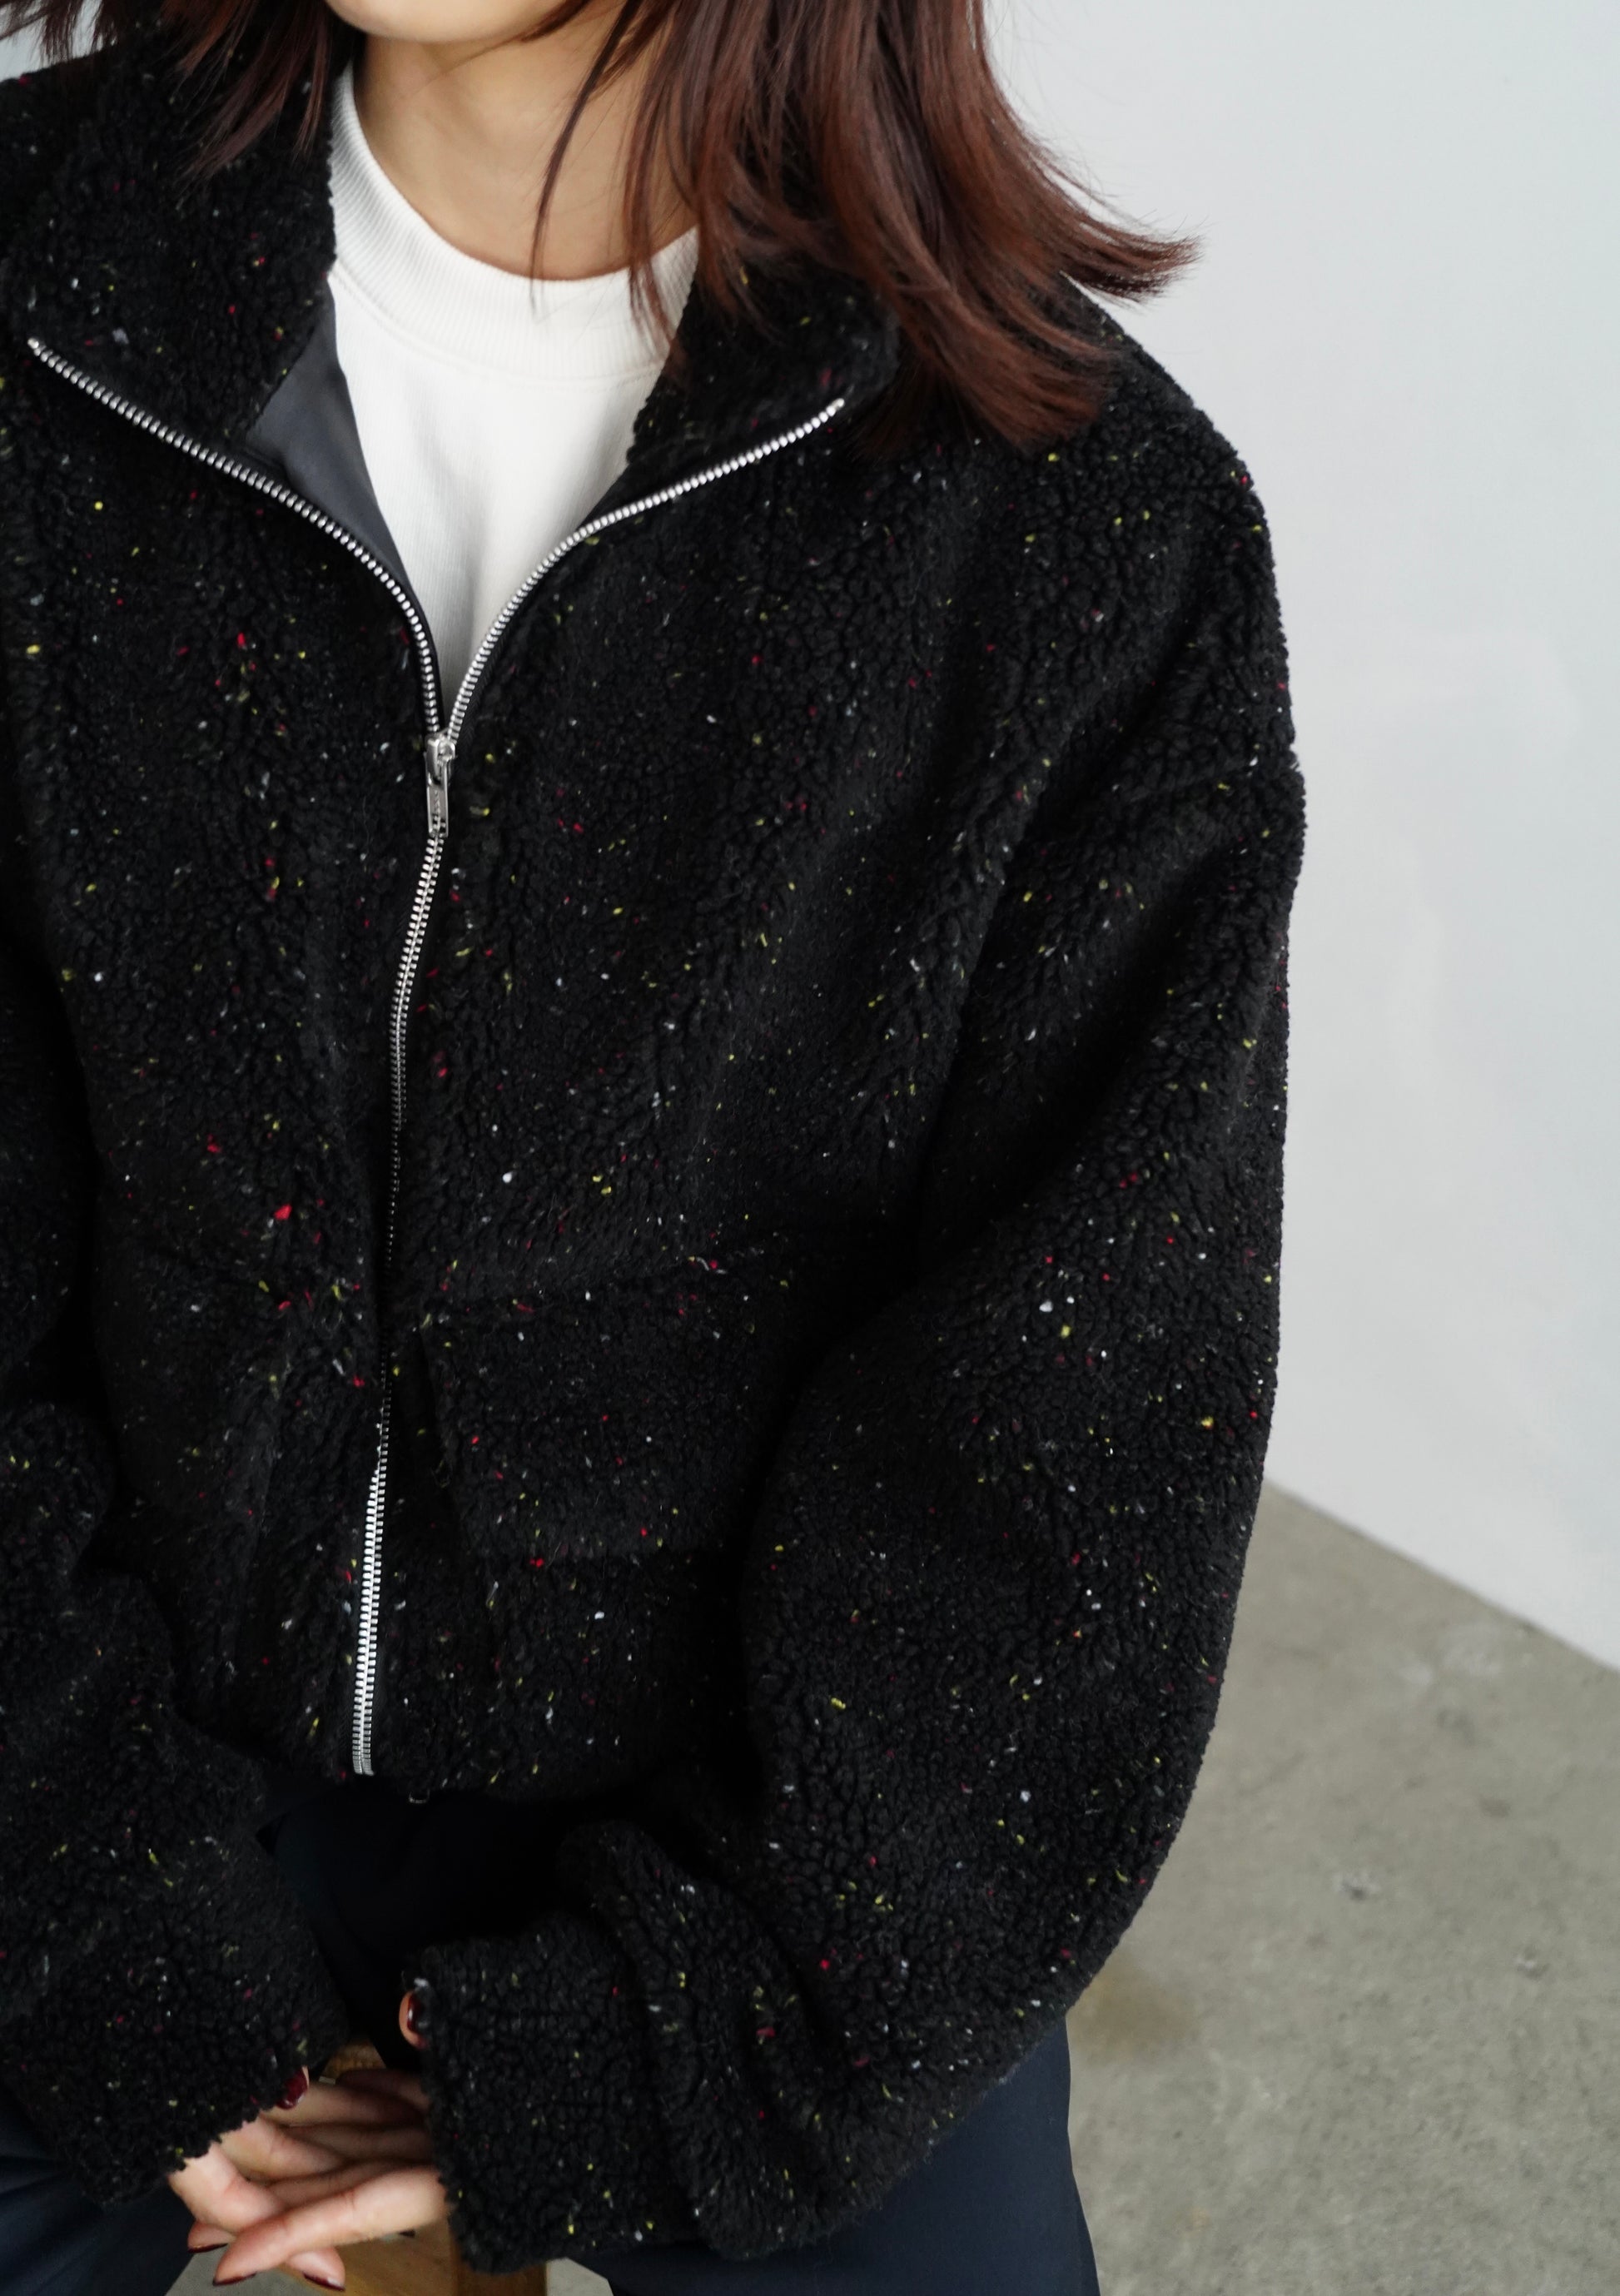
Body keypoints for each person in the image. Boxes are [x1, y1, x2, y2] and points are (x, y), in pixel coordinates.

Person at [0, 0, 1305, 2286]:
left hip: (764, 1840)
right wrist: (90, 1897)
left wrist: (679, 2048)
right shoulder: (39, 295)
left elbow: (1067, 1468)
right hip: (82, 1693)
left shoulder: (1088, 530)